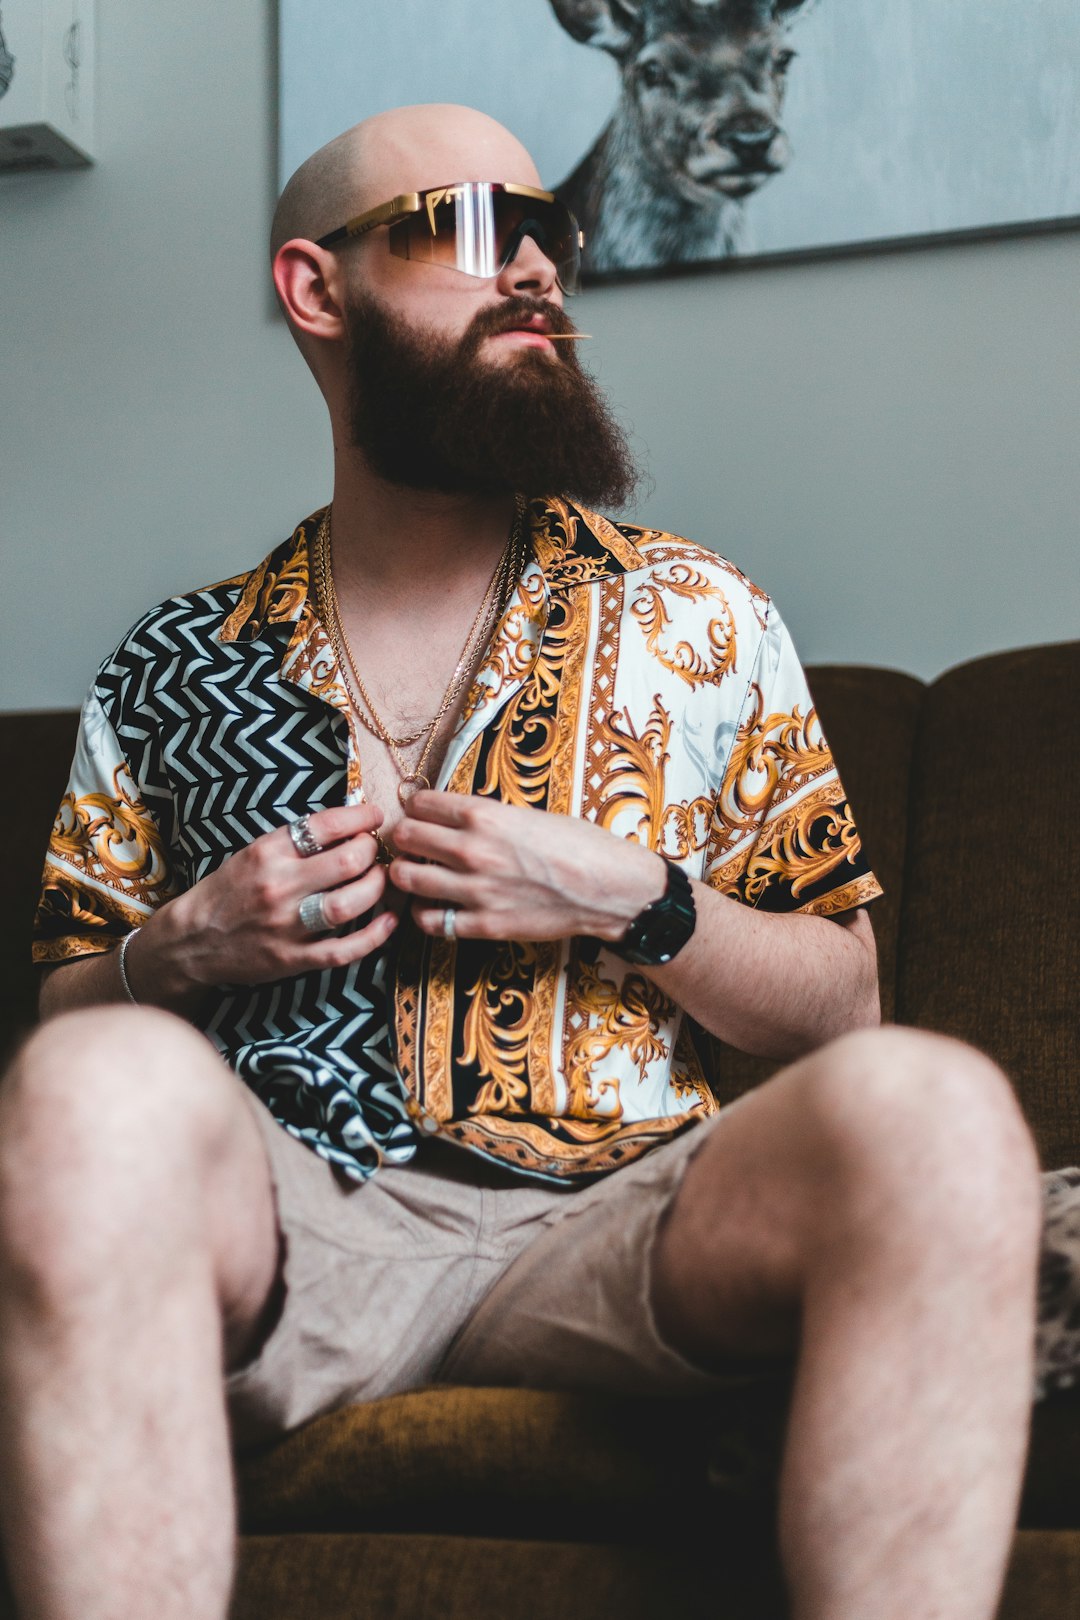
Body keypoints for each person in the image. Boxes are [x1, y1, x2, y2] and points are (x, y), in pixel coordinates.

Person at [0, 104, 1045, 1620]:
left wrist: (637, 899)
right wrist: (185, 947)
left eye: (550, 230)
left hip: (628, 1221)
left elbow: (845, 1011)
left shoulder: (704, 616)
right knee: (91, 1092)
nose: (541, 269)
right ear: (318, 289)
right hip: (302, 1223)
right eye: (473, 230)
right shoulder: (174, 664)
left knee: (937, 1107)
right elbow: (67, 1039)